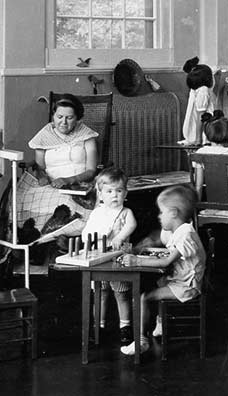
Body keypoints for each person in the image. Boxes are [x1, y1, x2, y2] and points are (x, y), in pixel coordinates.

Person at [118, 186, 207, 356]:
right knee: (158, 282)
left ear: (173, 213)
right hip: (182, 280)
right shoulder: (183, 230)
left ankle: (141, 341)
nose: (159, 216)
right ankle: (160, 325)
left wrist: (137, 260)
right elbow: (171, 255)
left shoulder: (185, 234)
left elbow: (167, 260)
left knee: (144, 297)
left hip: (186, 286)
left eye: (161, 212)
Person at [19, 93, 100, 235]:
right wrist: (41, 175)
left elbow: (91, 170)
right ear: (53, 116)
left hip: (80, 185)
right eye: (59, 117)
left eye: (69, 118)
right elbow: (40, 167)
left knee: (65, 203)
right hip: (51, 186)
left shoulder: (87, 136)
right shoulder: (44, 136)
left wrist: (68, 180)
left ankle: (56, 243)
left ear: (77, 118)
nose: (63, 122)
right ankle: (37, 242)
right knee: (31, 200)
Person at [82, 167, 138, 346]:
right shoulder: (97, 213)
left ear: (125, 193)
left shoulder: (126, 212)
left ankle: (125, 327)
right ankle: (98, 325)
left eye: (119, 191)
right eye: (109, 191)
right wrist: (96, 235)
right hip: (100, 255)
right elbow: (86, 233)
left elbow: (131, 226)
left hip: (119, 256)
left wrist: (120, 237)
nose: (114, 195)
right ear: (100, 193)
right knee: (100, 292)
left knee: (121, 293)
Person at [181, 56, 216, 145]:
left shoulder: (197, 89)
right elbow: (201, 117)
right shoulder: (203, 91)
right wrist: (198, 139)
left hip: (199, 131)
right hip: (201, 133)